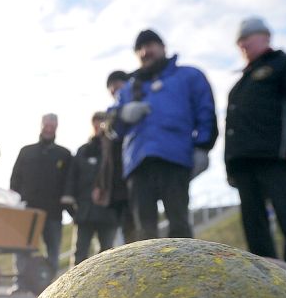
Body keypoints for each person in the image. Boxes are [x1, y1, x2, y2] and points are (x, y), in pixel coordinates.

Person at [225, 17, 286, 272]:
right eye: (240, 40)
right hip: (244, 163)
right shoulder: (240, 83)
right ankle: (266, 278)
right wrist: (231, 167)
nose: (244, 43)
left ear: (266, 37)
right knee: (254, 225)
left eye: (249, 37)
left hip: (276, 157)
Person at [110, 29, 217, 240]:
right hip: (138, 164)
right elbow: (112, 126)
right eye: (139, 49)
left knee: (179, 224)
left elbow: (206, 112)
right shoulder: (129, 89)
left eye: (149, 45)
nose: (145, 52)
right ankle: (146, 273)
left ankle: (186, 270)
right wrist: (122, 114)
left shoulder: (188, 76)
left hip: (174, 159)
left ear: (162, 47)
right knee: (144, 231)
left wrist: (203, 147)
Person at [9, 114, 72, 286]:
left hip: (53, 212)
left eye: (53, 125)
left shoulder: (64, 155)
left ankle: (49, 286)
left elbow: (69, 182)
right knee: (23, 248)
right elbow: (15, 180)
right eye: (46, 124)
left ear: (57, 127)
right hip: (27, 211)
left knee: (53, 250)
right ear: (41, 125)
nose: (49, 128)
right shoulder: (26, 151)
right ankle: (20, 283)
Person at [63, 111, 118, 265]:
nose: (98, 125)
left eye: (102, 121)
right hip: (85, 211)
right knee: (80, 252)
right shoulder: (82, 151)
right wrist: (70, 206)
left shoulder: (114, 150)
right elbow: (72, 178)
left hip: (108, 210)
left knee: (108, 253)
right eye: (95, 121)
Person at [93, 70, 136, 244]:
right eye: (111, 88)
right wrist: (100, 184)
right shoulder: (111, 120)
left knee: (137, 226)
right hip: (115, 187)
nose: (114, 90)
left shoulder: (133, 112)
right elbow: (106, 160)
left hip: (133, 181)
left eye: (117, 85)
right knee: (124, 230)